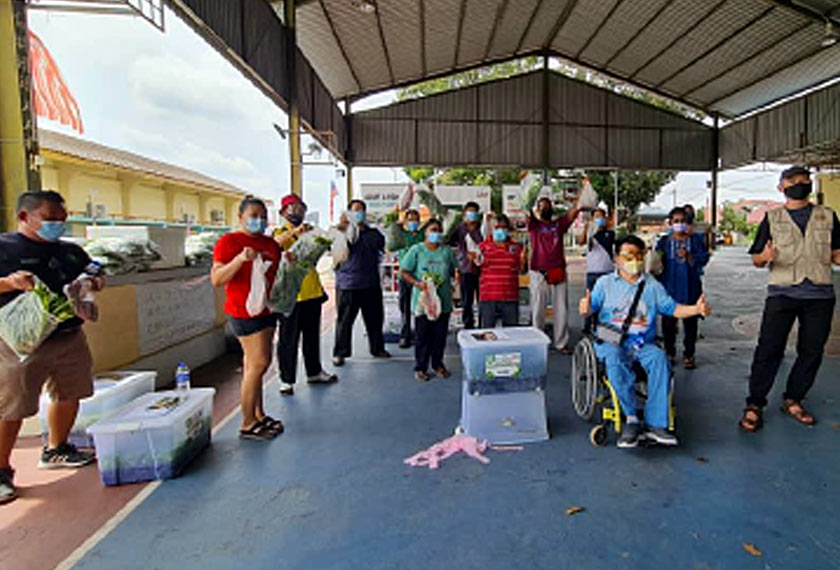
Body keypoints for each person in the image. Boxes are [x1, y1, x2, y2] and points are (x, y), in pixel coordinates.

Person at [0, 191, 105, 504]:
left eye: (62, 220)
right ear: (24, 217)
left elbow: (95, 272)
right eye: (50, 220)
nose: (57, 225)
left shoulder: (70, 252)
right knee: (12, 405)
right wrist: (9, 283)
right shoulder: (5, 248)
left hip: (67, 335)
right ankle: (2, 469)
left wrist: (95, 282)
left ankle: (57, 448)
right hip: (23, 341)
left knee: (71, 391)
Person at [579, 235, 711, 448]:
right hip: (610, 342)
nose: (635, 260)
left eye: (639, 255)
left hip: (641, 344)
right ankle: (631, 418)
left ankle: (656, 424)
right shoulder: (604, 284)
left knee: (660, 359)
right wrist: (585, 307)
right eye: (629, 255)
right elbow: (589, 307)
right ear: (616, 259)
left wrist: (696, 309)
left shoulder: (652, 286)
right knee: (614, 359)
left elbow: (673, 309)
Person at [740, 166, 840, 432]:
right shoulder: (772, 218)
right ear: (781, 187)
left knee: (811, 351)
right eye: (793, 181)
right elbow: (756, 260)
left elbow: (837, 254)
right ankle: (755, 404)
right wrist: (766, 257)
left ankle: (793, 398)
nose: (799, 184)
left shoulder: (828, 216)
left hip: (820, 295)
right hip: (782, 293)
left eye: (804, 180)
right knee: (769, 349)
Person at [212, 196, 285, 441]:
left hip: (266, 309)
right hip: (243, 311)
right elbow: (217, 278)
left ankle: (259, 413)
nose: (259, 220)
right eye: (253, 215)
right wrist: (240, 260)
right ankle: (246, 422)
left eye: (263, 216)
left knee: (257, 365)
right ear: (241, 217)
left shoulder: (270, 243)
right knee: (258, 363)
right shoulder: (229, 242)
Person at [273, 194, 337, 396]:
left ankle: (314, 371)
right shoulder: (279, 233)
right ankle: (286, 379)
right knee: (288, 339)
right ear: (283, 212)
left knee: (311, 336)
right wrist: (294, 232)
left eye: (300, 208)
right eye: (292, 208)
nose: (297, 212)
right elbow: (273, 245)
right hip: (290, 295)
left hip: (312, 292)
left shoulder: (310, 233)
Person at [333, 199, 390, 366]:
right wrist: (343, 230)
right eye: (355, 210)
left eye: (362, 210)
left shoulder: (373, 234)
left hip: (371, 284)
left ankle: (377, 348)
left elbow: (383, 245)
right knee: (344, 321)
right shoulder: (341, 232)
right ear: (349, 213)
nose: (359, 213)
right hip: (348, 284)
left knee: (375, 319)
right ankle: (340, 352)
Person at [400, 219, 457, 382]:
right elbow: (404, 271)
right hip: (422, 302)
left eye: (438, 230)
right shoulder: (416, 250)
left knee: (440, 336)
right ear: (425, 232)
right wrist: (417, 283)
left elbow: (453, 271)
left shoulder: (447, 252)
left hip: (443, 302)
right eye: (432, 230)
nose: (436, 233)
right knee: (422, 337)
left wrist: (453, 284)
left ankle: (438, 364)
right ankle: (420, 367)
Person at [528, 196, 584, 353]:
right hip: (538, 271)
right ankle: (537, 343)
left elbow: (573, 213)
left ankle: (561, 343)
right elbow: (524, 210)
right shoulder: (533, 225)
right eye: (541, 206)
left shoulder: (558, 224)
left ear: (552, 208)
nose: (544, 208)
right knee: (538, 309)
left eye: (547, 205)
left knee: (561, 309)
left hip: (558, 270)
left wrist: (580, 199)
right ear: (536, 209)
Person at [656, 207, 709, 369]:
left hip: (691, 288)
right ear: (670, 223)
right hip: (669, 288)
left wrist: (690, 256)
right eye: (676, 221)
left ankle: (689, 354)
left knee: (691, 325)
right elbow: (656, 264)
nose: (680, 224)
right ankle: (669, 352)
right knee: (668, 325)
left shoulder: (696, 240)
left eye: (683, 221)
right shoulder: (664, 242)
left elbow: (704, 258)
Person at [474, 213, 525, 328]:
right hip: (488, 298)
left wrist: (524, 261)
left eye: (503, 227)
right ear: (491, 229)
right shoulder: (482, 247)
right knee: (486, 334)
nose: (500, 230)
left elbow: (521, 270)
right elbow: (475, 267)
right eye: (497, 227)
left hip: (510, 297)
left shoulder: (517, 248)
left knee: (511, 334)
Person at [577, 207, 615, 333]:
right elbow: (581, 242)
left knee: (606, 301)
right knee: (590, 300)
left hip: (607, 272)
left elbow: (609, 244)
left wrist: (599, 230)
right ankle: (588, 326)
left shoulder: (610, 234)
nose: (599, 219)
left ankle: (603, 326)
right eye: (596, 216)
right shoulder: (589, 234)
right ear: (592, 219)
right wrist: (587, 229)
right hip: (592, 272)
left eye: (601, 216)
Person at [393, 209, 425, 349]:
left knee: (420, 307)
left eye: (415, 219)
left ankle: (420, 336)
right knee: (405, 308)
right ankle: (405, 336)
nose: (413, 222)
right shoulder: (401, 236)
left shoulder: (423, 235)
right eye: (410, 219)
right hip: (404, 276)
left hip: (419, 277)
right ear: (405, 221)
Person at [448, 201, 483, 329]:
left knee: (482, 300)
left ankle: (483, 324)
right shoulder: (459, 228)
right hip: (465, 267)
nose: (472, 214)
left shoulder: (483, 227)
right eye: (469, 211)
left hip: (482, 268)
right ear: (464, 214)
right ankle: (468, 325)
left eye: (474, 211)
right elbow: (449, 242)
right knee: (466, 300)